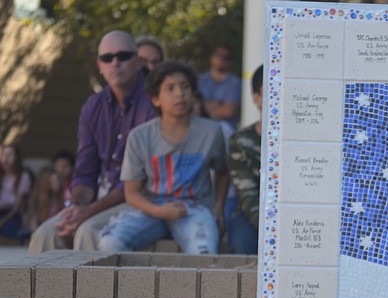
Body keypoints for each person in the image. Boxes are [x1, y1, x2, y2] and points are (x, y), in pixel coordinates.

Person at [28, 30, 156, 254]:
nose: (115, 63)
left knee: (88, 232)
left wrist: (89, 211)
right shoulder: (93, 106)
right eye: (108, 58)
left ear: (137, 61)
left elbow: (138, 179)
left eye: (123, 56)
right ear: (100, 65)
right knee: (45, 234)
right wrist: (77, 207)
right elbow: (85, 171)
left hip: (138, 199)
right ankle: (45, 291)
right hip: (99, 200)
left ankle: (91, 291)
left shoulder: (152, 103)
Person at [97, 62, 228, 254]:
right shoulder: (139, 136)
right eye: (170, 88)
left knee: (204, 252)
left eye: (185, 87)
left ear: (193, 95)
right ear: (156, 99)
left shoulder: (211, 131)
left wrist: (218, 208)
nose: (179, 94)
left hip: (194, 208)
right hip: (150, 208)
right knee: (109, 242)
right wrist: (160, 211)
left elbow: (223, 171)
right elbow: (131, 193)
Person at [226, 65, 263, 254]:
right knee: (242, 243)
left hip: (296, 216)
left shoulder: (306, 139)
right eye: (273, 91)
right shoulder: (240, 140)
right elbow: (247, 194)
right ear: (256, 98)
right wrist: (271, 230)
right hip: (253, 213)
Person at [198, 45, 241, 129]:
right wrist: (218, 104)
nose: (221, 59)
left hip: (226, 130)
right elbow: (195, 108)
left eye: (226, 57)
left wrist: (205, 105)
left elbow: (228, 112)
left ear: (230, 62)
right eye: (218, 55)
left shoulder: (235, 83)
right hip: (201, 129)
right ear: (211, 57)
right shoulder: (200, 80)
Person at [0, 144, 33, 243]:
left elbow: (17, 207)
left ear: (17, 158)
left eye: (9, 155)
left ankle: (22, 238)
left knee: (8, 234)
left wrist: (3, 221)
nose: (6, 158)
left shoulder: (24, 176)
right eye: (3, 155)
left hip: (13, 213)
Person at [26, 168, 64, 232]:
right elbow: (33, 225)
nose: (57, 184)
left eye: (57, 180)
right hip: (41, 233)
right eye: (52, 182)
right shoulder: (37, 201)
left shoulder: (61, 197)